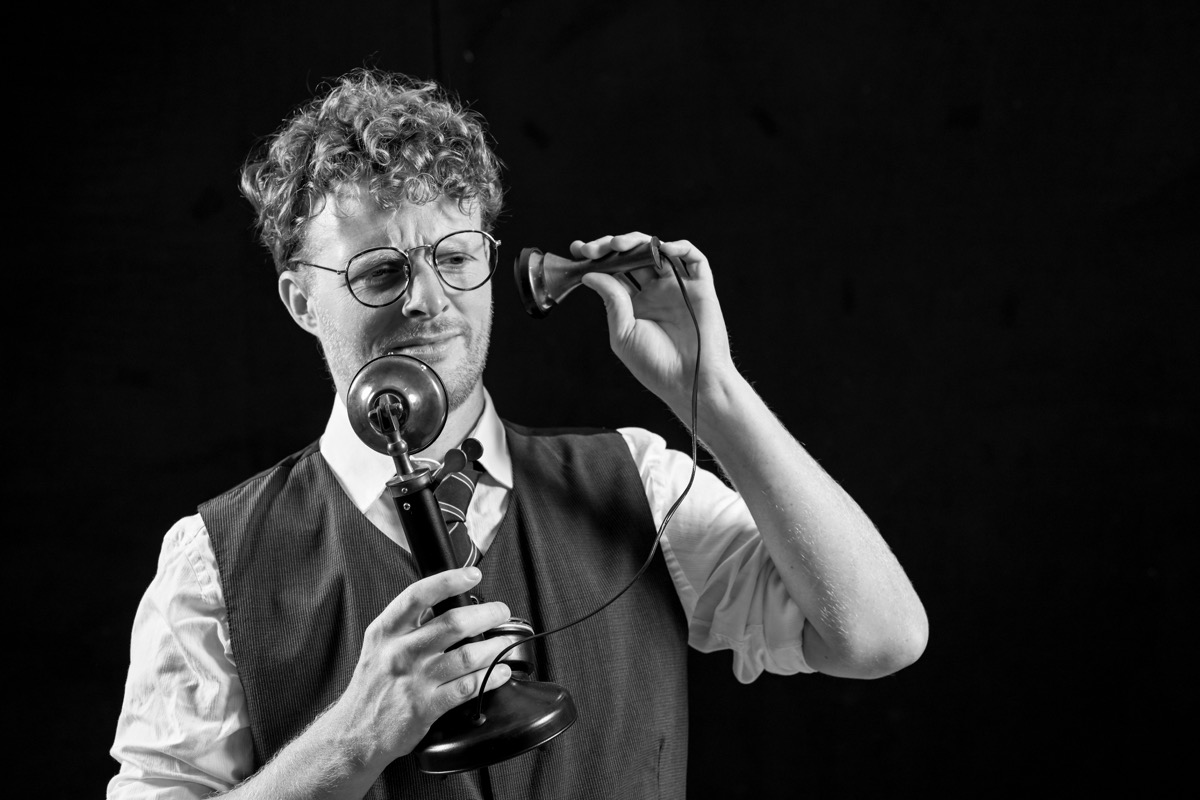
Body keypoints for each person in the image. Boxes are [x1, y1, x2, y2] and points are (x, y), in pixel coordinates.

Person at [108, 68, 927, 799]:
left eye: (456, 257)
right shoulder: (212, 561)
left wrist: (711, 392)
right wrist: (352, 740)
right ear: (300, 301)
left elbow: (880, 636)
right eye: (381, 271)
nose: (427, 300)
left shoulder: (638, 483)